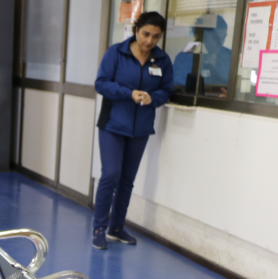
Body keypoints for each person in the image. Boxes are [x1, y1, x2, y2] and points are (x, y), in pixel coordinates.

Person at [92, 12, 173, 250]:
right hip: (112, 125)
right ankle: (98, 229)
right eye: (146, 34)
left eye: (156, 37)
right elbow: (101, 83)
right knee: (110, 175)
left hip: (140, 128)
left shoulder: (162, 60)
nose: (149, 41)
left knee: (127, 180)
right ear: (136, 30)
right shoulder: (116, 53)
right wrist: (128, 94)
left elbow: (166, 91)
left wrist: (152, 98)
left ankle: (116, 228)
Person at [172, 15, 231, 97]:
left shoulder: (229, 55)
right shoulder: (185, 57)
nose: (220, 43)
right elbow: (179, 90)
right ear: (203, 35)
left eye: (223, 38)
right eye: (216, 38)